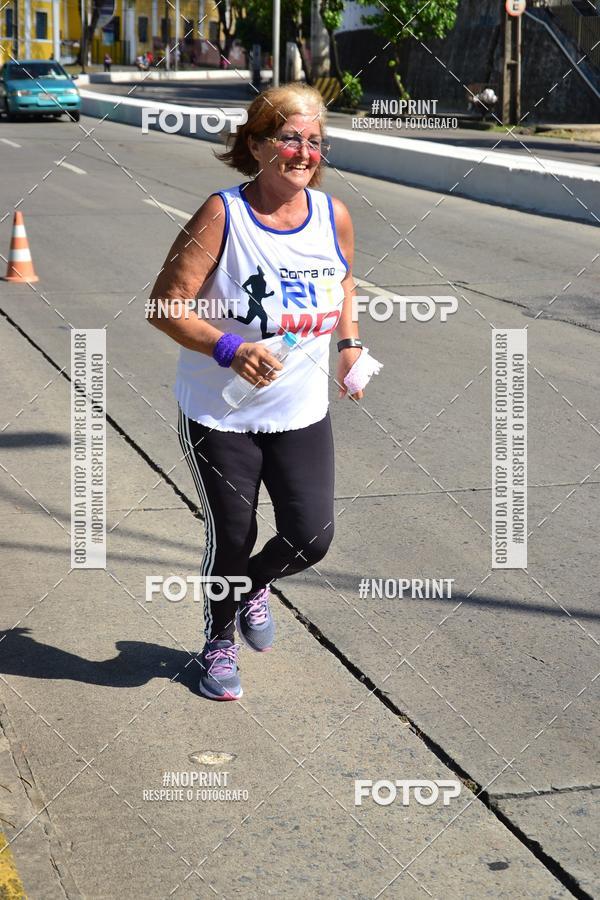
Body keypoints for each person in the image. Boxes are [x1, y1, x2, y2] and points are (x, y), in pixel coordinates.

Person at [148, 84, 365, 701]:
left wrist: (349, 346)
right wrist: (229, 348)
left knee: (311, 536)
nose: (303, 152)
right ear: (257, 144)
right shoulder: (223, 214)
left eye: (315, 141)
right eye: (289, 138)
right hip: (221, 414)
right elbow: (164, 306)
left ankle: (253, 586)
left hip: (300, 412)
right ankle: (217, 640)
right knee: (233, 534)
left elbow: (345, 284)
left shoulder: (333, 216)